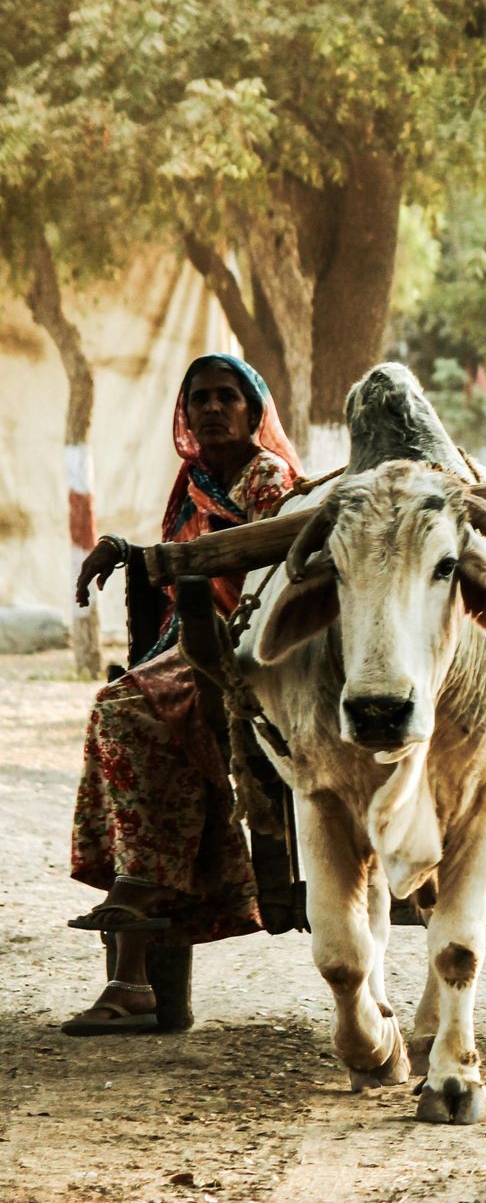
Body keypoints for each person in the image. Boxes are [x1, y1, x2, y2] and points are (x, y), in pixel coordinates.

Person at [61, 353, 302, 1035]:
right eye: (200, 399)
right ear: (186, 415)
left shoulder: (268, 479)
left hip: (257, 645)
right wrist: (128, 553)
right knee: (125, 712)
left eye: (228, 397)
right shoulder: (194, 482)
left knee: (128, 709)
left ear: (255, 413)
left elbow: (258, 566)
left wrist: (159, 562)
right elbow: (178, 568)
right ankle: (133, 973)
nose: (213, 409)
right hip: (190, 644)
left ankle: (133, 972)